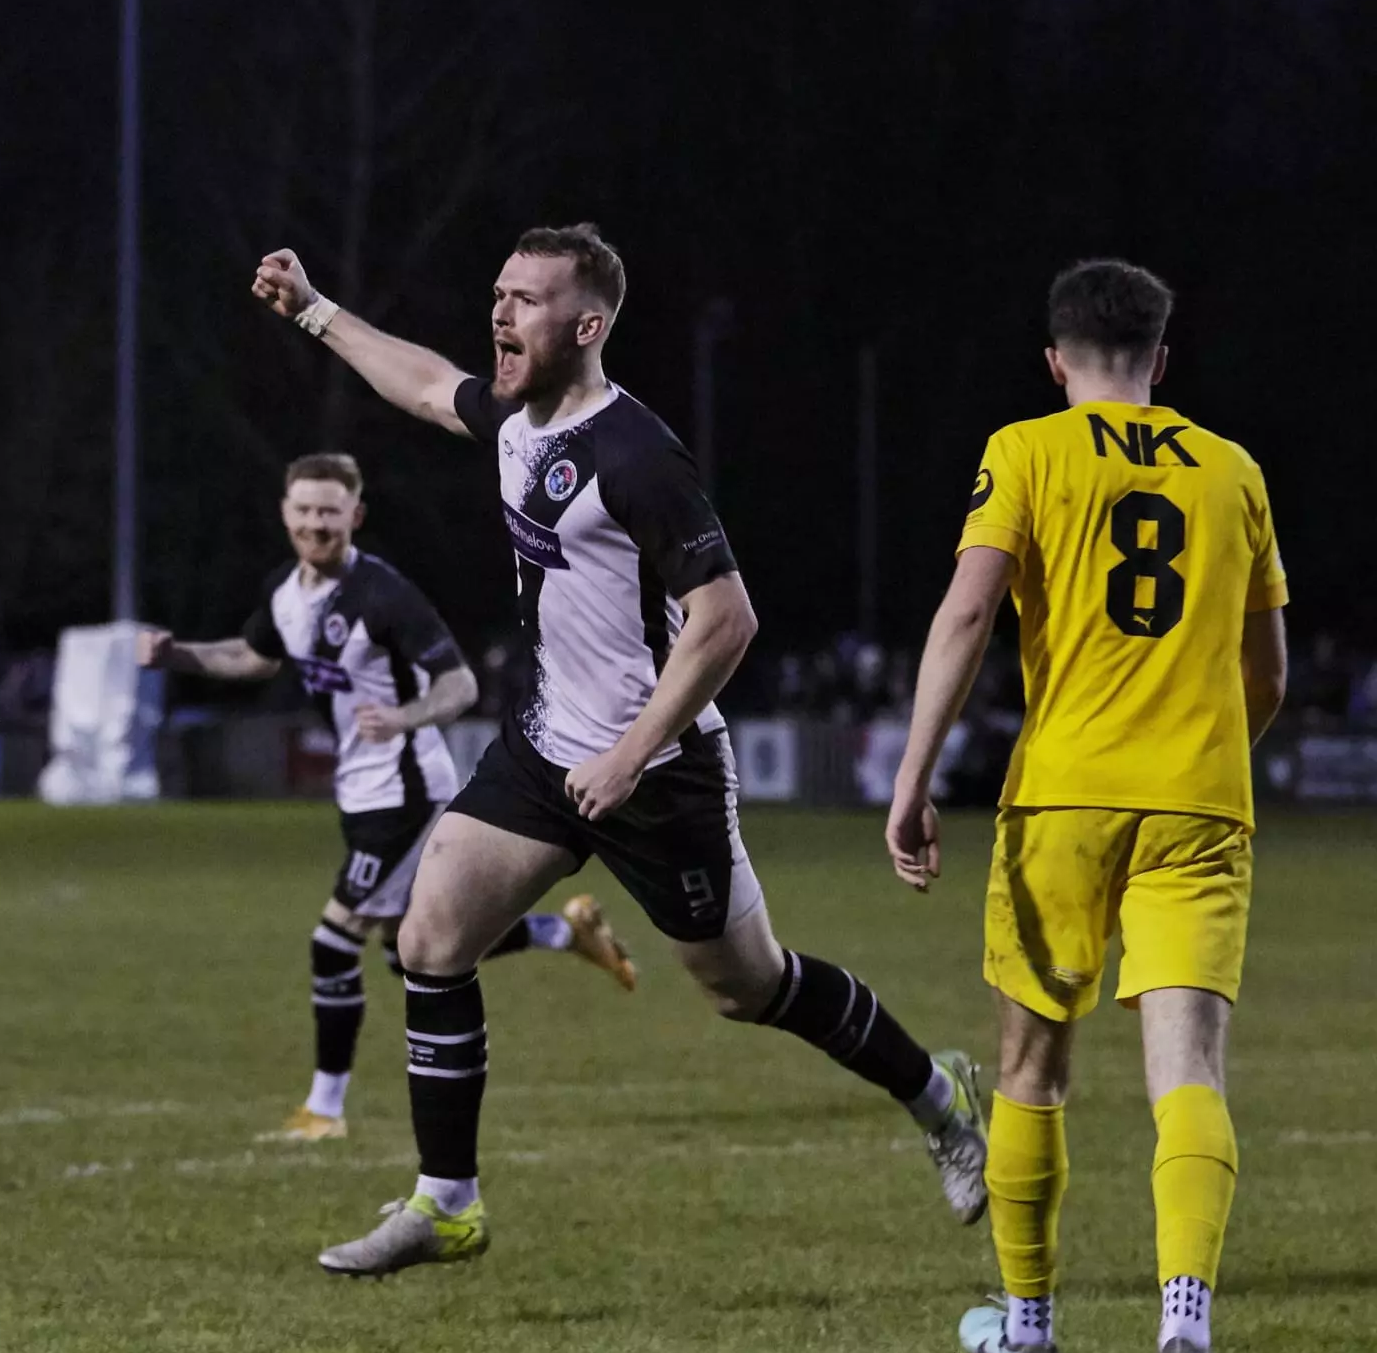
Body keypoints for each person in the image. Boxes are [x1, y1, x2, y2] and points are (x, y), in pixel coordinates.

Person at [251, 223, 988, 1278]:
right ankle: (446, 1201)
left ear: (586, 324)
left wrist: (632, 753)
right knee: (429, 938)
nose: (501, 312)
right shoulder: (515, 416)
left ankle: (938, 1093)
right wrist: (317, 310)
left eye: (528, 300)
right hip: (548, 749)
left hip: (661, 772)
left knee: (749, 986)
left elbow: (727, 620)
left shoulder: (635, 454)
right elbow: (425, 385)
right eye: (498, 292)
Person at [885, 260, 1289, 1353]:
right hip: (1199, 803)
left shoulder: (1025, 449)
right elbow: (1267, 672)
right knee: (1189, 1074)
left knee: (1029, 1069)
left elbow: (968, 608)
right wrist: (1202, 756)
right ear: (1162, 361)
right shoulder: (1233, 470)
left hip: (1060, 800)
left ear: (1055, 359)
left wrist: (913, 776)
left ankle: (1027, 1332)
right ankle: (1184, 1329)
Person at [138, 451, 637, 1143]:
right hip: (361, 790)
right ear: (286, 514)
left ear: (355, 516)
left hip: (407, 791)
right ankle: (564, 930)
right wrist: (178, 655)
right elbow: (256, 656)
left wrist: (401, 717)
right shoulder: (286, 592)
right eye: (305, 510)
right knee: (411, 949)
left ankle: (324, 1111)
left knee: (331, 941)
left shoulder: (383, 596)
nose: (316, 523)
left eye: (329, 511)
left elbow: (459, 684)